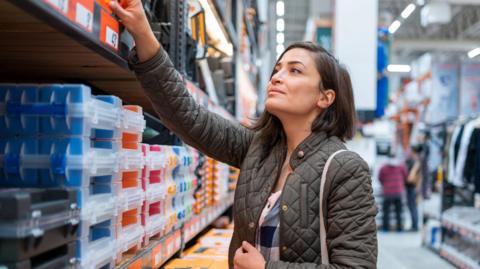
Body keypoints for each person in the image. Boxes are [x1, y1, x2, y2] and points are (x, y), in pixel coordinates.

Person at [109, 1, 378, 268]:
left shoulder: (345, 169)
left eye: (294, 70)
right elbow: (188, 116)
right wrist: (143, 32)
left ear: (325, 97)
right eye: (277, 70)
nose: (276, 77)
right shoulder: (259, 149)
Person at [378, 152, 408, 232]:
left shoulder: (383, 167)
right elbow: (405, 176)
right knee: (398, 212)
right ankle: (399, 228)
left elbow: (380, 178)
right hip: (398, 192)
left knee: (386, 212)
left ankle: (385, 228)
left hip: (387, 192)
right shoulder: (401, 166)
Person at [405, 147, 422, 231]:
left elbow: (411, 178)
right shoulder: (409, 162)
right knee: (411, 207)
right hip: (409, 188)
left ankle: (415, 226)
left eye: (409, 152)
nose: (407, 153)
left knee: (413, 207)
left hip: (413, 188)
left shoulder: (416, 163)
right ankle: (414, 225)